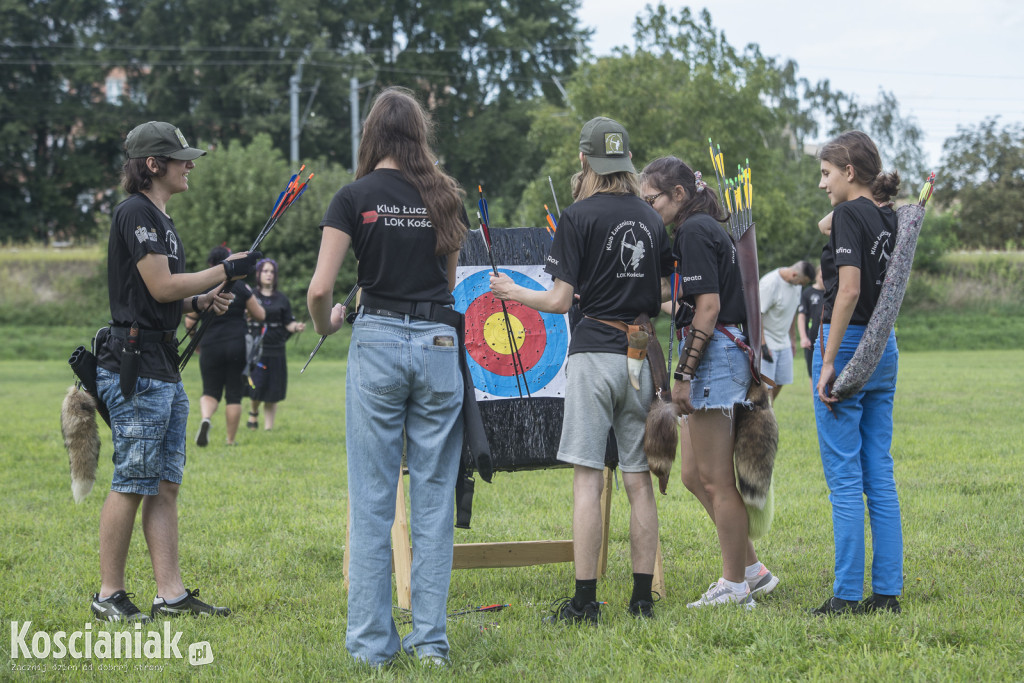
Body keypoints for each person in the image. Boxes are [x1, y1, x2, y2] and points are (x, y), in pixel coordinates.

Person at [307, 87, 468, 666]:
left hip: (375, 339)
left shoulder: (354, 197)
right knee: (432, 502)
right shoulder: (445, 197)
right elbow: (449, 286)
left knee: (374, 501)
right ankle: (431, 645)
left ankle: (372, 648)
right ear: (418, 134)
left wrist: (324, 326)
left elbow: (321, 290)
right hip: (438, 343)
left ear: (372, 134)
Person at [492, 117, 671, 623]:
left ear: (584, 160)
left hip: (594, 354)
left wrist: (512, 293)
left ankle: (585, 602)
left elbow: (558, 299)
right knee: (637, 479)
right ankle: (641, 601)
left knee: (588, 480)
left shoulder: (577, 216)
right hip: (639, 352)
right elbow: (659, 290)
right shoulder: (653, 219)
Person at [92, 121, 261, 622]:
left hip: (160, 365)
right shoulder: (136, 213)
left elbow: (164, 294)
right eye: (182, 157)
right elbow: (160, 287)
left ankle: (171, 595)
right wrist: (226, 269)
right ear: (153, 165)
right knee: (132, 480)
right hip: (136, 364)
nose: (190, 164)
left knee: (164, 483)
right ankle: (108, 595)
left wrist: (200, 298)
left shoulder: (160, 218)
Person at [643, 157, 781, 608]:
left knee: (717, 479)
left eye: (653, 200)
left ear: (678, 194)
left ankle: (735, 586)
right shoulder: (697, 229)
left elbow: (708, 308)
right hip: (720, 352)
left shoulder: (695, 230)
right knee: (691, 476)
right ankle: (753, 570)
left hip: (714, 357)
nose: (650, 208)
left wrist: (683, 374)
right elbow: (682, 295)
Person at [811, 130, 903, 616]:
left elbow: (846, 291)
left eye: (827, 173)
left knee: (845, 477)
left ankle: (846, 595)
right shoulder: (887, 216)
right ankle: (887, 592)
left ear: (849, 171)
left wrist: (827, 361)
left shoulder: (850, 214)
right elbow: (829, 221)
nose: (822, 184)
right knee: (878, 473)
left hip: (846, 343)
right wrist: (846, 202)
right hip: (884, 345)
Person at [185, 246, 265, 447]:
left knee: (210, 390)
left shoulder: (204, 287)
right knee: (234, 393)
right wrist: (245, 312)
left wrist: (195, 341)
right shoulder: (241, 287)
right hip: (237, 343)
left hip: (210, 343)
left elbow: (188, 322)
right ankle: (230, 440)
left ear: (212, 265)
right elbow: (261, 315)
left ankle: (206, 418)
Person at [247, 258, 305, 431]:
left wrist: (296, 327)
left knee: (273, 388)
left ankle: (268, 428)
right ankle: (253, 411)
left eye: (272, 272)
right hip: (256, 349)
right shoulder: (251, 296)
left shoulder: (282, 299)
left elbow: (288, 322)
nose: (268, 275)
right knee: (257, 385)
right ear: (258, 274)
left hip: (277, 348)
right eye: (265, 271)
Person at [759, 261, 815, 400]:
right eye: (802, 282)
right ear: (794, 274)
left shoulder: (796, 285)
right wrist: (762, 344)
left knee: (781, 381)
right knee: (766, 386)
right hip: (767, 338)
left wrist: (793, 340)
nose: (802, 286)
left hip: (784, 341)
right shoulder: (770, 283)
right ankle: (763, 414)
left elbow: (792, 311)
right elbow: (756, 314)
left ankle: (769, 410)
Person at [797, 266, 826, 384]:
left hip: (828, 338)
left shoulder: (832, 292)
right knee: (813, 372)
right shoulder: (808, 293)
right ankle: (815, 401)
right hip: (812, 340)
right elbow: (801, 315)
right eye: (821, 276)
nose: (824, 280)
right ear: (816, 276)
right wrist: (803, 337)